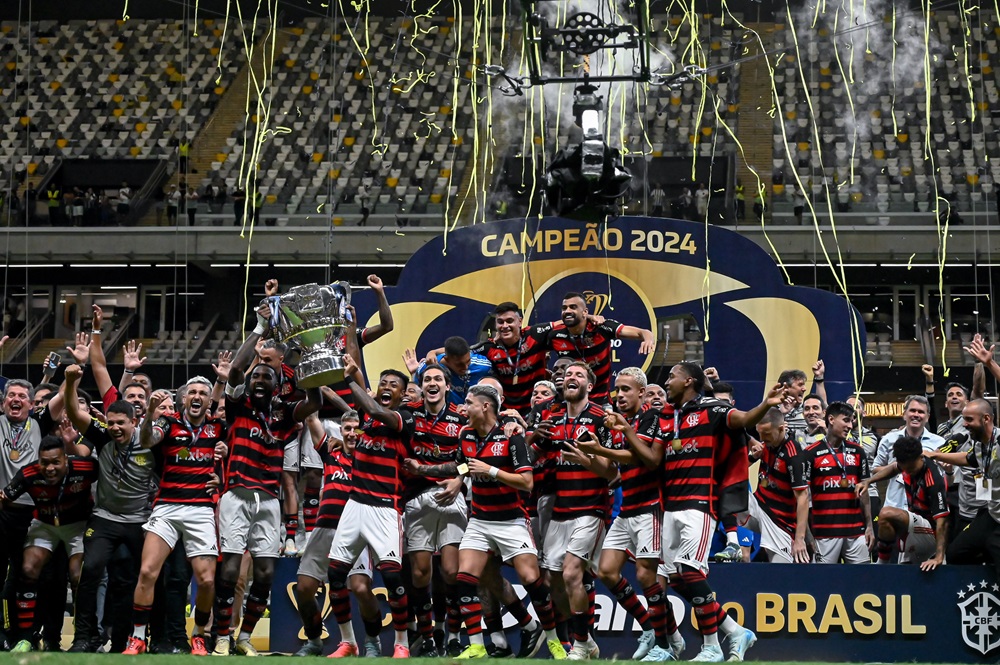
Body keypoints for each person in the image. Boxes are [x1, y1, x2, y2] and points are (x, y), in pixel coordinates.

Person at [630, 362, 778, 661]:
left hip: (700, 504)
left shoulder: (712, 410)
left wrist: (766, 404)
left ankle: (711, 647)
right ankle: (735, 631)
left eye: (672, 377)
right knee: (675, 579)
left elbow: (744, 419)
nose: (667, 381)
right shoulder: (667, 416)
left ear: (689, 381)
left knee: (691, 571)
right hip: (669, 506)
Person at [408, 384, 566, 660]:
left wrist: (492, 470)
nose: (462, 408)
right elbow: (461, 465)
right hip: (480, 520)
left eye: (468, 403)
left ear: (485, 406)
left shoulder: (512, 437)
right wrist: (431, 471)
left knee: (531, 579)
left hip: (512, 520)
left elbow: (527, 482)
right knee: (465, 578)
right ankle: (478, 645)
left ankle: (553, 640)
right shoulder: (466, 434)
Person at [211, 338, 321, 656]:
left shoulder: (284, 415)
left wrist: (313, 367)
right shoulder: (238, 406)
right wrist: (258, 331)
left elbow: (312, 403)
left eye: (265, 377)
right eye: (255, 376)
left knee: (266, 573)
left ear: (277, 384)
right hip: (236, 495)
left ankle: (244, 637)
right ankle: (222, 637)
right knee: (230, 570)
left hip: (269, 500)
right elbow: (233, 373)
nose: (259, 380)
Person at [579, 368, 684, 662]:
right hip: (627, 507)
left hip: (650, 506)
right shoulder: (620, 423)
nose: (620, 395)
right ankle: (653, 626)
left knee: (645, 575)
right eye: (618, 390)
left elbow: (644, 458)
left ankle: (664, 645)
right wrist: (587, 456)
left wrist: (605, 445)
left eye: (626, 389)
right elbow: (616, 470)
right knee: (607, 571)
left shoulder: (650, 417)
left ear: (641, 392)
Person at [123, 378, 228, 655]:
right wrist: (148, 414)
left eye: (203, 393)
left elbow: (234, 460)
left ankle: (199, 635)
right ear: (184, 399)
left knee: (206, 581)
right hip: (167, 507)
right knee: (147, 572)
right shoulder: (168, 423)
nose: (197, 396)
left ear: (209, 402)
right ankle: (137, 638)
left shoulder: (218, 427)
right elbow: (147, 440)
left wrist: (223, 464)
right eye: (192, 392)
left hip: (201, 509)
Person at [63, 366, 157, 653]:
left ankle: (122, 641)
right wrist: (70, 383)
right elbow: (74, 412)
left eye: (121, 423)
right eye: (112, 422)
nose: (115, 428)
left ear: (134, 421)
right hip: (104, 518)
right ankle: (83, 637)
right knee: (89, 571)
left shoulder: (150, 441)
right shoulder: (103, 436)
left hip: (138, 522)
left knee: (126, 579)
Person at [326, 355, 414, 658]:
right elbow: (364, 407)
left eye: (394, 385)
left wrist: (350, 377)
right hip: (354, 505)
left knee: (391, 576)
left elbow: (374, 406)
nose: (387, 387)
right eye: (383, 383)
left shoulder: (404, 419)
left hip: (385, 509)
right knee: (335, 575)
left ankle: (401, 643)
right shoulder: (364, 420)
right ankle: (348, 641)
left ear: (403, 394)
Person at [527, 362, 616, 661]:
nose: (571, 378)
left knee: (572, 573)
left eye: (578, 375)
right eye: (567, 376)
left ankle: (578, 646)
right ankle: (586, 639)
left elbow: (612, 472)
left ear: (590, 385)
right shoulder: (551, 418)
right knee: (552, 582)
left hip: (591, 508)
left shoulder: (601, 418)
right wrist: (527, 439)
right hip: (560, 509)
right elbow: (529, 458)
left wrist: (587, 459)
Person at [294, 411, 383, 657]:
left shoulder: (372, 459)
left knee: (361, 588)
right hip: (324, 529)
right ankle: (314, 641)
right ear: (340, 432)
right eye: (347, 429)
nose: (352, 433)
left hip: (357, 532)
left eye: (357, 429)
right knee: (303, 588)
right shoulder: (330, 453)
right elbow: (311, 419)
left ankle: (372, 641)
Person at [4, 436, 99, 653]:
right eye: (44, 462)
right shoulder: (28, 474)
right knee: (28, 569)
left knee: (78, 575)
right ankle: (25, 638)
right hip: (45, 524)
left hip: (78, 524)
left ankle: (84, 637)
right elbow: (5, 497)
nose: (50, 468)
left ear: (66, 459)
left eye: (56, 462)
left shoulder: (86, 467)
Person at [399, 364, 468, 656]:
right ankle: (427, 638)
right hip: (416, 498)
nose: (432, 383)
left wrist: (459, 478)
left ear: (447, 386)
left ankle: (453, 636)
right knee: (420, 574)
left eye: (438, 379)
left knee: (451, 572)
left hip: (452, 498)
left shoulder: (461, 417)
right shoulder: (408, 414)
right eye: (426, 379)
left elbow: (470, 459)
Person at [792, 401, 874, 564]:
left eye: (851, 421)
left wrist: (870, 526)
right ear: (831, 419)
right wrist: (807, 535)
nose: (850, 425)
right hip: (824, 534)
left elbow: (865, 492)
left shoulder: (858, 451)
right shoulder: (810, 453)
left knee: (863, 583)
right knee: (823, 584)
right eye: (846, 420)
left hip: (856, 532)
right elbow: (803, 497)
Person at [925, 399, 1000, 574]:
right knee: (955, 554)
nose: (964, 424)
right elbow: (967, 458)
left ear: (986, 419)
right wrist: (936, 455)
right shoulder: (981, 445)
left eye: (969, 420)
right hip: (991, 515)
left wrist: (990, 369)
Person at [542, 292, 655, 403]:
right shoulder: (554, 335)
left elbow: (643, 332)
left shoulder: (601, 327)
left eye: (573, 307)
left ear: (585, 312)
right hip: (571, 400)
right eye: (564, 308)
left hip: (601, 400)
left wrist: (648, 340)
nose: (567, 311)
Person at [858, 436, 949, 569]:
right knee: (908, 573)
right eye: (905, 469)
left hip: (932, 533)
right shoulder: (906, 463)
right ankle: (894, 556)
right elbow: (894, 468)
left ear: (921, 457)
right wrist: (868, 481)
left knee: (886, 513)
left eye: (911, 469)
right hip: (915, 528)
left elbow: (942, 522)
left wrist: (939, 557)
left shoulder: (933, 479)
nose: (908, 472)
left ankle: (881, 564)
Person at [473, 302, 552, 415]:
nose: (505, 326)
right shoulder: (490, 347)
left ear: (520, 321)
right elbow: (461, 351)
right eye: (500, 322)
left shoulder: (534, 335)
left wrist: (587, 317)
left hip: (536, 409)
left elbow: (563, 324)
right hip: (506, 412)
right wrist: (437, 353)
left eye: (509, 321)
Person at [749, 408, 804, 563]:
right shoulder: (765, 445)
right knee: (728, 485)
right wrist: (752, 457)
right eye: (759, 433)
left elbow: (803, 498)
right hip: (758, 507)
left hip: (779, 522)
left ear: (781, 429)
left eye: (766, 433)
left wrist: (800, 539)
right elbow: (737, 471)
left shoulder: (793, 455)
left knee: (781, 569)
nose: (761, 438)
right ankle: (732, 542)